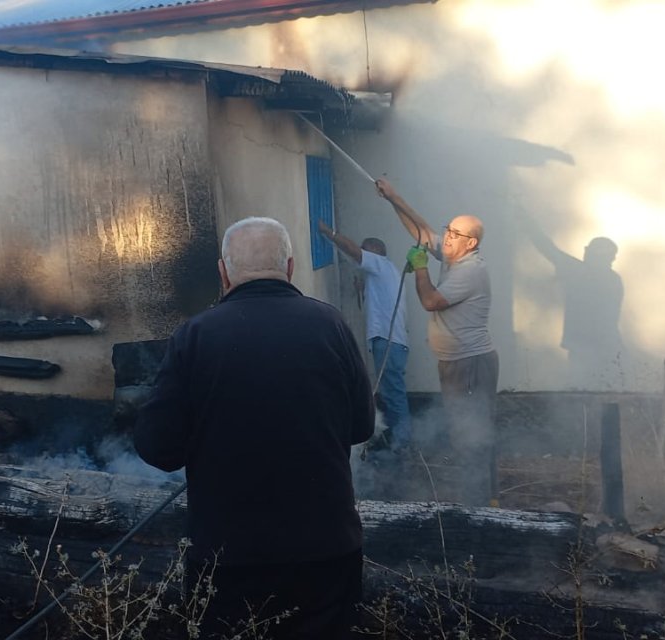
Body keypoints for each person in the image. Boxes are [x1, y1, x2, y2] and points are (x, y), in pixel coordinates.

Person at [133, 216, 374, 639]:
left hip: (229, 558)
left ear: (224, 273)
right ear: (291, 267)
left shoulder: (194, 335)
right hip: (327, 550)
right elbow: (361, 427)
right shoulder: (332, 325)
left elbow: (158, 448)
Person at [374, 179, 499, 506]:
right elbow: (423, 232)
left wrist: (419, 269)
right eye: (448, 229)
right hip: (455, 362)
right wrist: (393, 198)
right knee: (465, 430)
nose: (446, 237)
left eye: (454, 234)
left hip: (469, 363)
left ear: (470, 243)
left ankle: (479, 505)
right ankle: (480, 497)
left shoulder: (469, 271)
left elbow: (431, 300)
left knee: (471, 432)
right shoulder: (454, 258)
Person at [317, 220, 412, 452]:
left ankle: (403, 445)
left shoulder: (380, 264)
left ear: (377, 252)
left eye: (365, 249)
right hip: (389, 341)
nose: (361, 256)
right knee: (390, 392)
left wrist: (328, 233)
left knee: (394, 393)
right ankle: (396, 440)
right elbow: (371, 309)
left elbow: (353, 251)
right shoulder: (380, 275)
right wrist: (362, 290)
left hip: (389, 342)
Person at [522, 218, 624, 390]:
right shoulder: (613, 280)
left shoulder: (579, 272)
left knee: (584, 394)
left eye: (589, 251)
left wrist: (527, 222)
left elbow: (547, 248)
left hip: (588, 348)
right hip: (607, 347)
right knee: (608, 394)